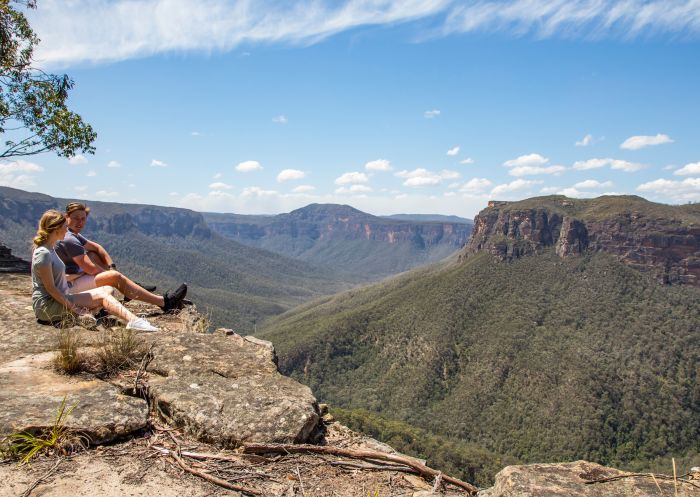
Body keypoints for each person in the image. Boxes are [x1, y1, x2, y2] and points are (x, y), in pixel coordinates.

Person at [31, 209, 159, 331]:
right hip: (47, 306)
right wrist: (76, 309)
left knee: (107, 289)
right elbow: (51, 289)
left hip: (60, 298)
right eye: (65, 226)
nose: (67, 230)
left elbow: (56, 277)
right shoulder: (43, 253)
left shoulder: (51, 249)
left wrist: (76, 275)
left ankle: (88, 315)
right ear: (56, 228)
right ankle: (134, 322)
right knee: (102, 296)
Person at [55, 202, 186, 312]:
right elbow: (91, 270)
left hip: (70, 279)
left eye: (83, 218)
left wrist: (112, 267)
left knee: (94, 255)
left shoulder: (72, 233)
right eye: (76, 218)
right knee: (115, 278)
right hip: (66, 286)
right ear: (67, 217)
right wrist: (114, 276)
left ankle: (130, 288)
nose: (80, 222)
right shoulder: (69, 239)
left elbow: (97, 248)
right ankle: (165, 302)